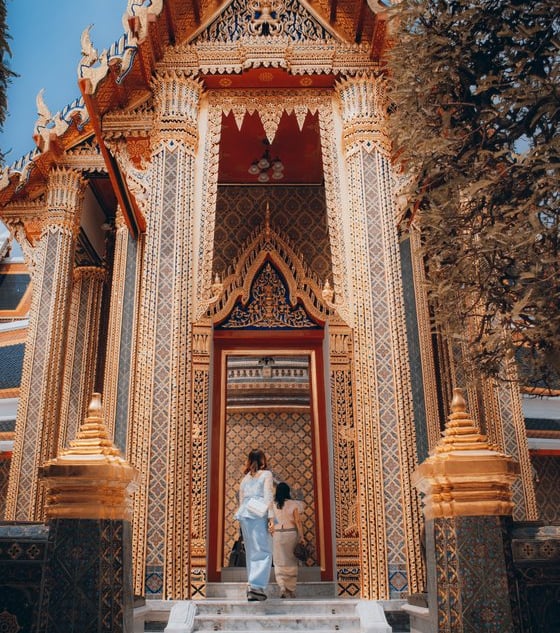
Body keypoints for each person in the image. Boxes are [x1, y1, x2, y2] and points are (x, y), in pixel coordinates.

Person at [234, 448, 274, 601]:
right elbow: (268, 496)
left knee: (252, 551)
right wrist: (271, 518)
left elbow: (241, 499)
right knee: (264, 551)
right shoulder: (266, 475)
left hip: (245, 514)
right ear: (263, 460)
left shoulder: (245, 479)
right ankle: (256, 586)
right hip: (259, 513)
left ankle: (252, 585)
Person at [271, 481, 305, 599]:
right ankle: (291, 589)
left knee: (279, 561)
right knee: (291, 561)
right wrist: (302, 536)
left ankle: (282, 586)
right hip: (290, 534)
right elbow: (298, 522)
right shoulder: (293, 504)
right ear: (287, 492)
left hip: (277, 535)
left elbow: (270, 523)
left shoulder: (273, 505)